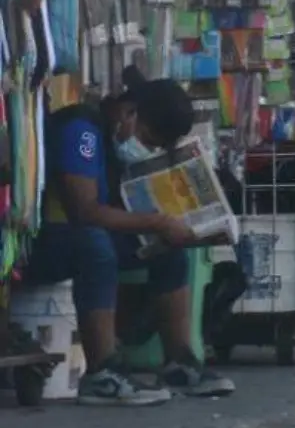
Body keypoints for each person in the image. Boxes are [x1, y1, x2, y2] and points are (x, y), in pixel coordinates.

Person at [26, 78, 233, 406]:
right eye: (147, 139)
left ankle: (179, 362)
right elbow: (84, 210)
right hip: (37, 243)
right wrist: (156, 221)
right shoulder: (82, 129)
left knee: (169, 252)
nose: (144, 148)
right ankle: (102, 372)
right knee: (95, 247)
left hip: (79, 236)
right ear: (129, 112)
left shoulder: (112, 138)